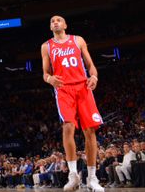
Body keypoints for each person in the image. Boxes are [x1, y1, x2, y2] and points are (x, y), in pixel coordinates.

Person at [41, 16, 103, 192]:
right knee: (68, 127)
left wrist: (94, 77)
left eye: (59, 20)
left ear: (65, 25)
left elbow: (91, 65)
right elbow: (45, 73)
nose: (55, 22)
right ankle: (73, 175)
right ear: (50, 26)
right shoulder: (46, 46)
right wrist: (50, 79)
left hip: (83, 87)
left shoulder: (78, 40)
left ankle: (92, 178)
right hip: (63, 89)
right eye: (52, 21)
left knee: (89, 131)